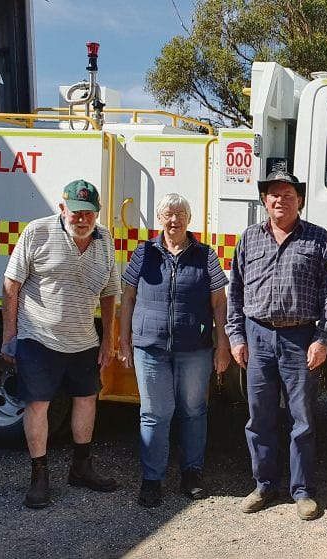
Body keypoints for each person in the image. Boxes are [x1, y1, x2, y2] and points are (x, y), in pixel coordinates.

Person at [226, 169, 327, 521]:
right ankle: (264, 485)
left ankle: (303, 491)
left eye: (288, 194)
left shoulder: (319, 239)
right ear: (264, 200)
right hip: (257, 335)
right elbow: (236, 290)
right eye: (274, 194)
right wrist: (236, 336)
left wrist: (323, 339)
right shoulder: (248, 238)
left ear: (300, 200)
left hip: (300, 338)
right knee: (259, 417)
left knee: (301, 419)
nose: (280, 199)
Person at [1, 179, 120, 509]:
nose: (82, 219)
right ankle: (39, 476)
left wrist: (108, 339)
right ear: (62, 208)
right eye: (77, 212)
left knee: (87, 399)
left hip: (83, 340)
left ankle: (81, 468)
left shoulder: (104, 239)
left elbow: (111, 292)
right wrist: (9, 336)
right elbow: (11, 285)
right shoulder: (37, 232)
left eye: (90, 213)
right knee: (38, 405)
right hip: (38, 338)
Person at [117, 193, 231, 508]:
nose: (174, 220)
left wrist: (223, 344)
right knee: (154, 413)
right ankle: (152, 480)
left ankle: (191, 474)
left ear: (189, 219)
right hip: (150, 348)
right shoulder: (143, 253)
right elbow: (127, 298)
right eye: (168, 214)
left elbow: (219, 303)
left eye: (180, 214)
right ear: (160, 218)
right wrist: (124, 341)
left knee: (193, 411)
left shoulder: (206, 255)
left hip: (194, 348)